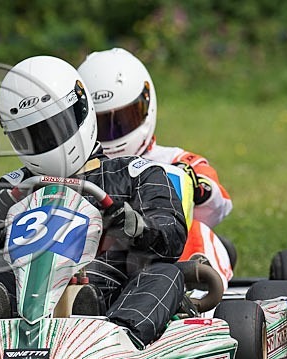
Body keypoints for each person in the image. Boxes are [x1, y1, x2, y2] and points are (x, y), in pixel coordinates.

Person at [0, 55, 188, 348]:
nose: (43, 143)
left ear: (80, 111)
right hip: (24, 293)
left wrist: (136, 227)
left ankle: (115, 338)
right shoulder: (14, 186)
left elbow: (171, 237)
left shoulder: (135, 173)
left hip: (110, 290)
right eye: (31, 136)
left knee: (165, 273)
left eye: (53, 129)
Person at [77, 48, 234, 288]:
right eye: (101, 125)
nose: (113, 133)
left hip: (163, 256)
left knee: (196, 231)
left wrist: (198, 186)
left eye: (122, 120)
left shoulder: (175, 160)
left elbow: (220, 205)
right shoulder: (80, 168)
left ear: (146, 106)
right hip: (99, 260)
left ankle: (201, 294)